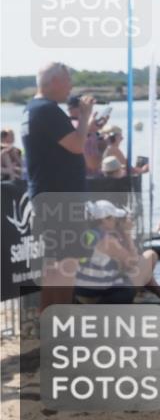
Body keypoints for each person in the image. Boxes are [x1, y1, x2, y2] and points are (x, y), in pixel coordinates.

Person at [21, 63, 92, 310]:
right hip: (61, 201)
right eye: (68, 80)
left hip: (47, 199)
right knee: (65, 267)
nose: (71, 86)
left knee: (53, 269)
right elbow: (77, 145)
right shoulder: (48, 110)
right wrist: (84, 116)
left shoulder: (32, 109)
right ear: (53, 82)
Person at [76, 199, 160, 308]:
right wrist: (127, 234)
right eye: (114, 218)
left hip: (82, 295)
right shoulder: (108, 241)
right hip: (104, 299)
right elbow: (133, 262)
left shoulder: (86, 235)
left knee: (139, 266)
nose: (116, 221)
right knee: (150, 256)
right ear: (105, 220)